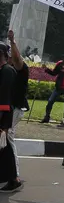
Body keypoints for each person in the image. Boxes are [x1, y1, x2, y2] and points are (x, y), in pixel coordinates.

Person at [0, 31, 28, 192]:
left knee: (8, 137)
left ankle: (14, 177)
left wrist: (12, 41)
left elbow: (18, 60)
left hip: (14, 108)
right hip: (9, 108)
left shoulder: (18, 69)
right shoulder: (6, 70)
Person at [0, 42, 20, 192]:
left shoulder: (7, 71)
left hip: (3, 114)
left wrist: (4, 124)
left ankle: (13, 179)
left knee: (5, 148)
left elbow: (5, 97)